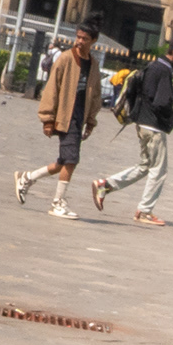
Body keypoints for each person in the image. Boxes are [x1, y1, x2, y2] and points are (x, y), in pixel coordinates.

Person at [94, 34, 173, 226]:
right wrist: (169, 118)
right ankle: (145, 210)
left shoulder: (153, 66)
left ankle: (106, 185)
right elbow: (162, 101)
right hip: (153, 126)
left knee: (145, 166)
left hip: (143, 123)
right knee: (159, 170)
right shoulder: (164, 71)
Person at [13, 17, 103, 219]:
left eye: (84, 38)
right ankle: (58, 202)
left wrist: (91, 120)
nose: (79, 41)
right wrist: (47, 118)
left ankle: (27, 178)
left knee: (64, 161)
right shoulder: (65, 58)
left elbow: (94, 93)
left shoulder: (93, 64)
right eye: (78, 37)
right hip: (65, 115)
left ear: (93, 41)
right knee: (71, 160)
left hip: (80, 116)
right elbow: (51, 88)